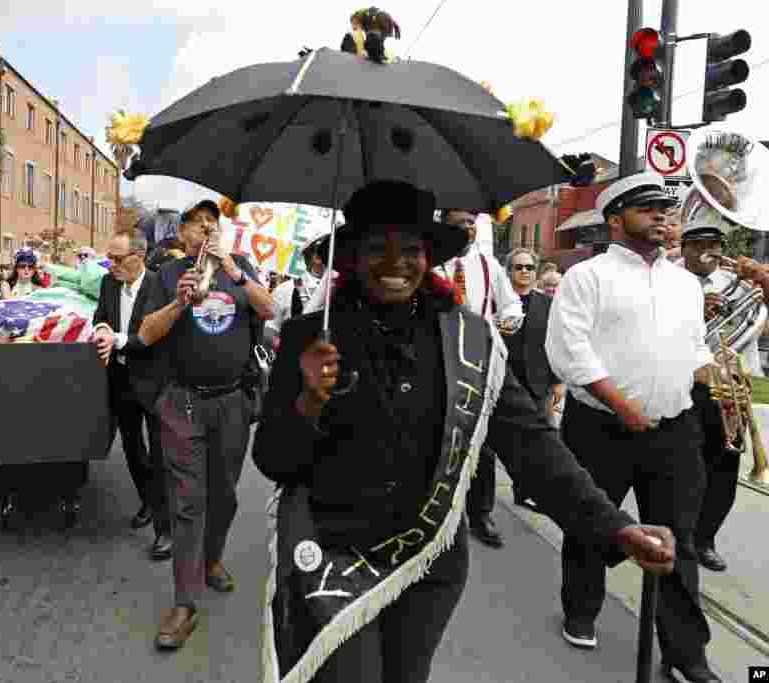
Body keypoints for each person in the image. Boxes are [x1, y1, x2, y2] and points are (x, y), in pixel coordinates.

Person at [253, 180, 675, 683]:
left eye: (409, 249)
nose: (395, 263)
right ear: (351, 258)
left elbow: (531, 444)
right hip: (331, 559)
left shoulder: (469, 338)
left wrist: (614, 526)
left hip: (428, 564)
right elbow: (272, 460)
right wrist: (306, 403)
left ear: (428, 255)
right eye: (376, 249)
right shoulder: (309, 335)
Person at [546, 172, 720, 682]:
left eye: (666, 209)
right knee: (589, 526)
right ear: (616, 219)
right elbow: (568, 352)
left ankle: (687, 655)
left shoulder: (686, 284)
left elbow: (693, 346)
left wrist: (710, 368)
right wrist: (619, 404)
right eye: (649, 209)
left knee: (678, 541)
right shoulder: (587, 277)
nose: (662, 217)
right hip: (600, 427)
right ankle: (581, 609)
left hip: (673, 431)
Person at [138, 199, 275, 650]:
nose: (205, 231)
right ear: (182, 235)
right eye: (197, 225)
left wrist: (234, 272)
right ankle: (185, 602)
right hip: (183, 403)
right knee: (187, 502)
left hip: (233, 403)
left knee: (226, 496)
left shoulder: (240, 269)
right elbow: (145, 334)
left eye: (212, 224)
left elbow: (269, 308)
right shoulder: (167, 276)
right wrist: (179, 304)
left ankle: (212, 557)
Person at [679, 224, 767, 574]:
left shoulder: (741, 285)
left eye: (715, 244)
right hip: (685, 384)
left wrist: (761, 277)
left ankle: (705, 539)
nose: (709, 251)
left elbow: (759, 323)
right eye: (699, 244)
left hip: (728, 386)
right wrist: (697, 312)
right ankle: (680, 534)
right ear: (684, 248)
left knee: (724, 468)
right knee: (683, 464)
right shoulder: (668, 280)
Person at [435, 209, 523, 549]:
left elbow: (511, 305)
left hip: (480, 365)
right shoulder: (430, 263)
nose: (466, 229)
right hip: (439, 363)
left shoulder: (489, 266)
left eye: (471, 223)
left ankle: (480, 514)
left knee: (482, 447)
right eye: (458, 224)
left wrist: (511, 320)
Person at [92, 231, 173, 562]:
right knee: (132, 447)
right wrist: (100, 329)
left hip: (154, 380)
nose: (111, 265)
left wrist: (120, 340)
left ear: (139, 255)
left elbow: (155, 336)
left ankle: (165, 531)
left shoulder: (160, 286)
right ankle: (148, 501)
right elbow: (101, 316)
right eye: (109, 258)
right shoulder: (108, 284)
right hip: (121, 379)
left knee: (159, 454)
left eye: (118, 259)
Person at [503, 247, 561, 511]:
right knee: (501, 446)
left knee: (539, 444)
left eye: (529, 267)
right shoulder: (499, 301)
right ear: (509, 271)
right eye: (519, 267)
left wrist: (558, 382)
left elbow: (557, 344)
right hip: (502, 382)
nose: (524, 272)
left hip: (538, 385)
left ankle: (528, 491)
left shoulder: (548, 304)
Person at [265, 234, 329, 351]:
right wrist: (288, 350)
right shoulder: (285, 290)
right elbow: (269, 330)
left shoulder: (342, 290)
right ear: (317, 258)